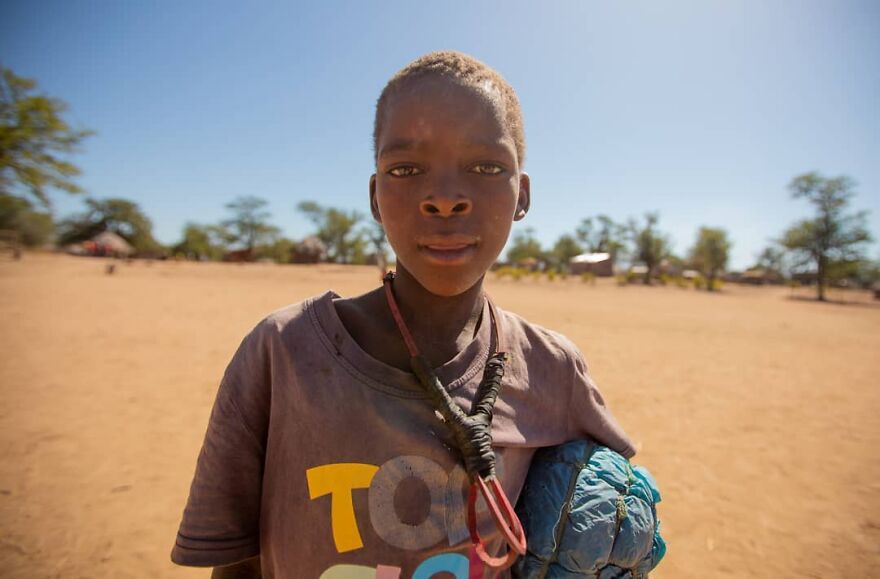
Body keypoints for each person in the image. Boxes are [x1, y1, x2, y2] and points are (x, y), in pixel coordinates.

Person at [171, 51, 635, 579]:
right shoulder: (281, 354)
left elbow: (612, 504)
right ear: (375, 197)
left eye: (486, 167)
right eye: (406, 169)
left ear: (521, 196)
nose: (445, 199)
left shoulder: (552, 368)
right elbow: (237, 567)